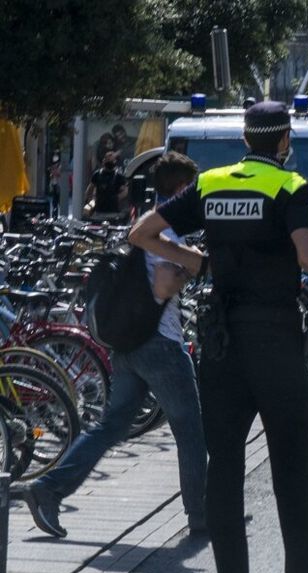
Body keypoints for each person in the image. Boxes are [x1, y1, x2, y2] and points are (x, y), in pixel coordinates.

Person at [129, 101, 308, 573]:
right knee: (294, 472)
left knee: (224, 470)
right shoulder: (289, 186)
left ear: (245, 138)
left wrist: (198, 262)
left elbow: (141, 231)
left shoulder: (211, 184)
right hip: (275, 341)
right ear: (283, 140)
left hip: (222, 346)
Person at [25, 152, 208, 540]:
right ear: (179, 189)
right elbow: (162, 286)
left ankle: (49, 488)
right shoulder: (169, 232)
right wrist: (189, 267)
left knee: (109, 427)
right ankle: (202, 515)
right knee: (191, 430)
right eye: (192, 190)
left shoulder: (145, 221)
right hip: (160, 345)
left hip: (128, 346)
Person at [84, 151, 127, 219]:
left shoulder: (119, 176)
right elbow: (89, 190)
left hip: (113, 212)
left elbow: (125, 191)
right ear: (104, 161)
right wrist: (91, 203)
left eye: (111, 160)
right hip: (98, 211)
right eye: (108, 160)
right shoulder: (97, 174)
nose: (110, 162)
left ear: (115, 162)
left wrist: (116, 198)